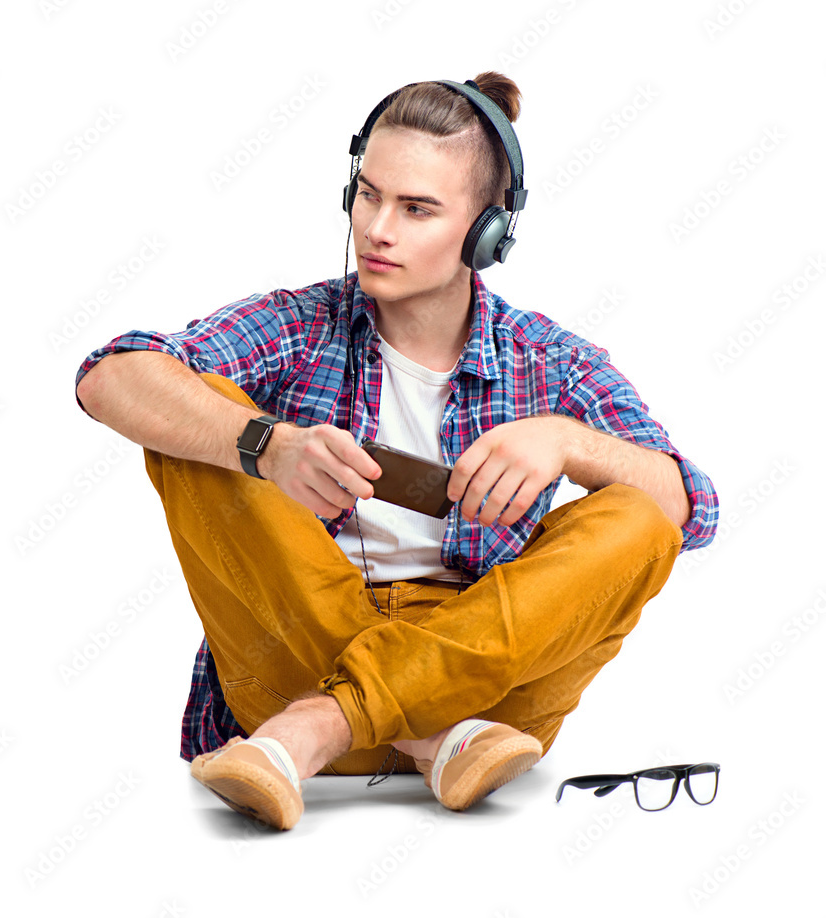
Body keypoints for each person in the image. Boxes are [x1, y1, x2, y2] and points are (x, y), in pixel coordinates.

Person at [74, 71, 718, 831]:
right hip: (319, 674)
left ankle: (323, 726)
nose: (377, 228)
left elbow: (692, 507)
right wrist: (268, 445)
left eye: (417, 209)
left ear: (488, 230)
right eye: (369, 194)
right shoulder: (297, 324)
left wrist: (569, 443)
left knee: (639, 517)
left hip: (481, 697)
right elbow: (109, 376)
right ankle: (427, 736)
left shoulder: (552, 361)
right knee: (199, 416)